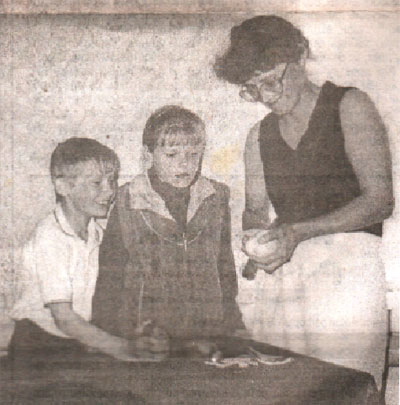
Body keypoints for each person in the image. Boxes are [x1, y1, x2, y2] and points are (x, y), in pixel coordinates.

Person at [214, 15, 393, 388]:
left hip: (350, 278)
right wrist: (257, 240)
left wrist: (297, 232)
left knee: (346, 389)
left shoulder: (349, 105)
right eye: (252, 89)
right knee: (289, 391)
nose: (265, 97)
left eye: (270, 81)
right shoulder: (258, 136)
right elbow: (255, 210)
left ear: (299, 56)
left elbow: (379, 201)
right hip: (289, 281)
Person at [91, 105, 245, 341]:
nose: (184, 164)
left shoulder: (215, 197)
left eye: (193, 155)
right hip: (147, 331)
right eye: (172, 155)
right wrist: (108, 337)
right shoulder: (127, 200)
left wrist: (233, 324)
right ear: (148, 155)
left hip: (205, 330)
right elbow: (110, 274)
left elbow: (224, 266)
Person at [9, 137, 168, 362]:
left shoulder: (99, 235)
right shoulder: (50, 237)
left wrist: (137, 331)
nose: (109, 191)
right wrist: (123, 348)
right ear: (63, 186)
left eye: (112, 181)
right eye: (96, 183)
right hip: (36, 344)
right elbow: (64, 318)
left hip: (76, 340)